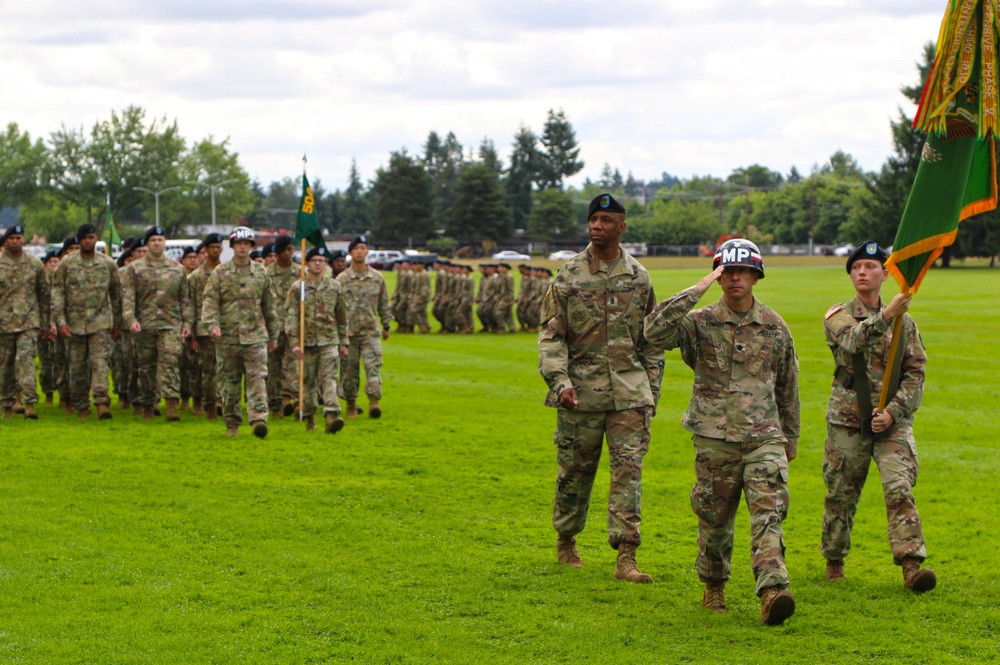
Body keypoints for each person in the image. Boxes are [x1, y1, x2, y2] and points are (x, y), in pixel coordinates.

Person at [644, 238, 799, 625]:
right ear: (718, 276)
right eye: (727, 271)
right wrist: (694, 290)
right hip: (714, 437)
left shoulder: (776, 326)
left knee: (768, 515)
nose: (735, 279)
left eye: (742, 271)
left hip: (764, 437)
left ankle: (772, 590)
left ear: (755, 276)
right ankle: (713, 585)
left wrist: (790, 436)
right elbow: (654, 333)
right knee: (714, 521)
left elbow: (788, 385)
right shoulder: (698, 322)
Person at [538, 193, 664, 584]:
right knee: (575, 472)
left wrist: (651, 392)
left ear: (622, 227)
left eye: (606, 220)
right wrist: (560, 382)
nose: (597, 225)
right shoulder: (569, 275)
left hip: (629, 394)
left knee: (628, 472)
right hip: (580, 394)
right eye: (593, 219)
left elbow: (652, 341)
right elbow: (551, 335)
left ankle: (626, 556)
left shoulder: (639, 277)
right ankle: (566, 540)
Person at [821, 241, 936, 593]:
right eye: (856, 267)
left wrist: (893, 412)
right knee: (841, 493)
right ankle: (835, 560)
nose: (861, 272)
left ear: (886, 274)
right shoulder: (837, 315)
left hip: (892, 424)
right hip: (848, 420)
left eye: (870, 266)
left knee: (899, 487)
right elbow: (851, 342)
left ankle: (911, 564)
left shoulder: (906, 323)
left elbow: (916, 373)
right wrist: (887, 316)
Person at [201, 226, 278, 438]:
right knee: (229, 383)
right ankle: (232, 424)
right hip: (227, 337)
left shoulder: (261, 273)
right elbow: (210, 301)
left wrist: (273, 335)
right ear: (233, 246)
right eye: (238, 244)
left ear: (251, 246)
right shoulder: (220, 273)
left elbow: (269, 306)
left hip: (255, 337)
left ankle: (258, 419)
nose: (242, 247)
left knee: (257, 379)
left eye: (246, 244)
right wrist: (212, 324)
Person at [50, 223, 122, 420]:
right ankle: (82, 405)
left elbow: (116, 295)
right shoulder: (67, 264)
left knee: (100, 362)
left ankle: (101, 403)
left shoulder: (108, 264)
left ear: (96, 238)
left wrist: (117, 324)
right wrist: (61, 321)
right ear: (79, 240)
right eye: (84, 238)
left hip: (100, 322)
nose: (88, 241)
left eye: (91, 237)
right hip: (74, 324)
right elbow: (57, 294)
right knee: (77, 367)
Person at [121, 226, 193, 421]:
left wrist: (187, 323)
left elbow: (184, 299)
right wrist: (131, 319)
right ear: (147, 243)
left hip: (170, 324)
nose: (157, 243)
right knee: (145, 367)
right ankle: (147, 405)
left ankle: (171, 407)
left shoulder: (177, 269)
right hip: (145, 325)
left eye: (160, 240)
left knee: (171, 363)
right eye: (153, 240)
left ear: (164, 242)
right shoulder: (134, 269)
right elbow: (128, 298)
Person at [286, 247, 349, 433]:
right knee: (307, 381)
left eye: (321, 260)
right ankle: (310, 418)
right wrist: (294, 342)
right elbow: (291, 316)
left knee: (329, 378)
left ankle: (331, 415)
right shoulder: (299, 287)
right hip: (306, 342)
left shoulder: (334, 287)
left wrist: (344, 342)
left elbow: (342, 316)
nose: (318, 264)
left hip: (328, 340)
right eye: (314, 260)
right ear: (307, 264)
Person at [337, 235, 391, 419]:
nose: (360, 251)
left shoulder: (376, 277)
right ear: (351, 253)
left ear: (367, 251)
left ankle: (374, 402)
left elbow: (383, 303)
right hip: (349, 334)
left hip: (370, 332)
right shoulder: (342, 279)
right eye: (356, 248)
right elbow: (336, 307)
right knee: (349, 372)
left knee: (373, 367)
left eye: (363, 247)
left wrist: (386, 325)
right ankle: (351, 405)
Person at [0, 224, 51, 420]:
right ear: (6, 241)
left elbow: (43, 295)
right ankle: (7, 405)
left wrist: (45, 323)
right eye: (12, 238)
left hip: (29, 322)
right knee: (5, 366)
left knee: (26, 361)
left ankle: (30, 404)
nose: (15, 241)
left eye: (19, 238)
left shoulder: (34, 264)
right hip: (3, 323)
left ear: (23, 239)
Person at [187, 233, 225, 419]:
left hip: (227, 327)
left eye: (218, 247)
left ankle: (222, 401)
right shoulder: (195, 277)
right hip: (204, 329)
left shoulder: (227, 272)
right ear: (206, 250)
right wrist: (192, 334)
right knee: (208, 369)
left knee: (226, 368)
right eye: (212, 247)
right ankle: (209, 402)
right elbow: (192, 305)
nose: (215, 250)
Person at [267, 235, 299, 418]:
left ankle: (291, 399)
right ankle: (276, 403)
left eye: (290, 249)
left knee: (292, 363)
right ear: (277, 252)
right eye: (285, 250)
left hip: (293, 325)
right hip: (273, 326)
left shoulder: (300, 273)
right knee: (273, 366)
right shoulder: (267, 273)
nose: (288, 253)